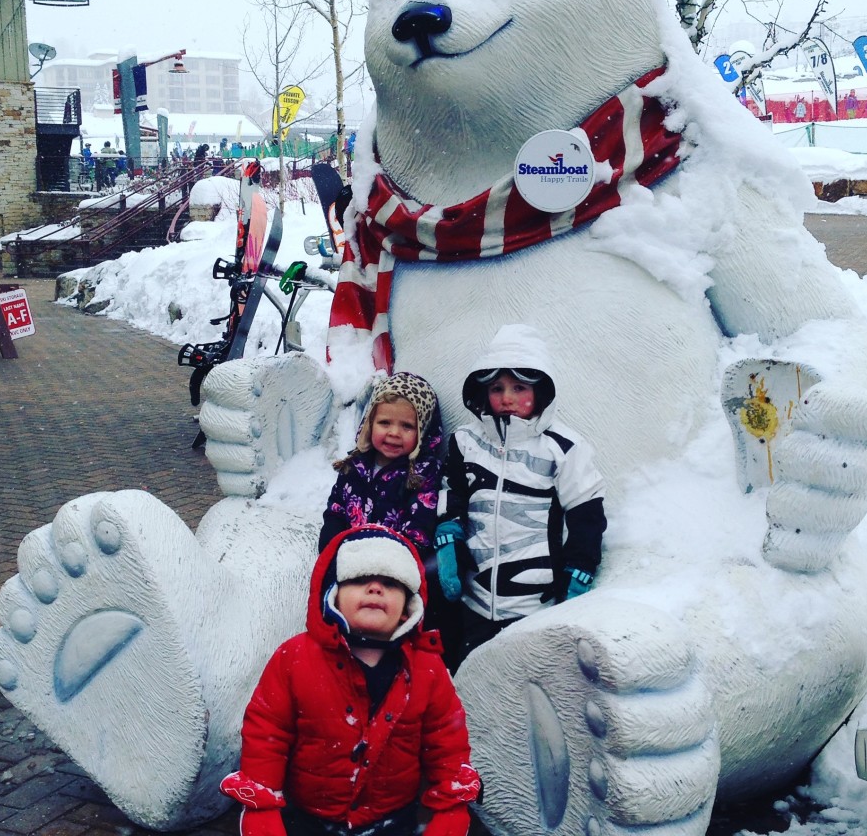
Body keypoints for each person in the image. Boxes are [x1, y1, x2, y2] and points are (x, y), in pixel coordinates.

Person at [220, 525, 481, 836]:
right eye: (359, 579)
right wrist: (261, 804)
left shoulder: (428, 668)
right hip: (307, 819)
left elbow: (446, 742)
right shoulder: (295, 658)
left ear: (407, 606)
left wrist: (450, 805)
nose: (375, 588)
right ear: (333, 593)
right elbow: (267, 733)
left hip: (393, 820)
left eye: (390, 582)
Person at [434, 323, 607, 665]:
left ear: (541, 391)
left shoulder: (565, 448)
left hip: (535, 605)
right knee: (468, 677)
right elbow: (450, 492)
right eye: (497, 388)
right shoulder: (466, 442)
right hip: (474, 599)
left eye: (519, 387)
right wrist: (447, 534)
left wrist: (580, 568)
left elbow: (587, 512)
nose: (507, 398)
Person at [319, 372, 444, 557]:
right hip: (349, 557)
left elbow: (419, 530)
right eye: (384, 423)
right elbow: (337, 509)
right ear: (370, 424)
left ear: (422, 431)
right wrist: (332, 546)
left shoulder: (422, 473)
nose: (394, 432)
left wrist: (385, 561)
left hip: (392, 566)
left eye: (407, 426)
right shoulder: (355, 466)